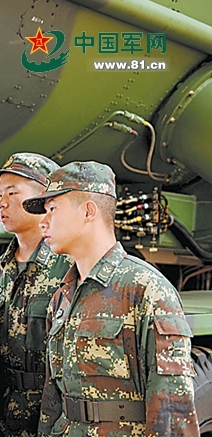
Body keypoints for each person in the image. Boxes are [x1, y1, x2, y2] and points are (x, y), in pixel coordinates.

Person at [21, 161, 199, 436]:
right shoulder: (62, 296)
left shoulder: (146, 290)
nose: (43, 221)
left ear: (88, 211)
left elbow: (172, 412)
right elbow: (52, 400)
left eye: (52, 209)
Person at [0, 153, 73, 437]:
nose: (2, 202)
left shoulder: (69, 265)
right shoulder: (3, 266)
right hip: (6, 413)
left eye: (13, 193)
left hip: (54, 416)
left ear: (44, 197)